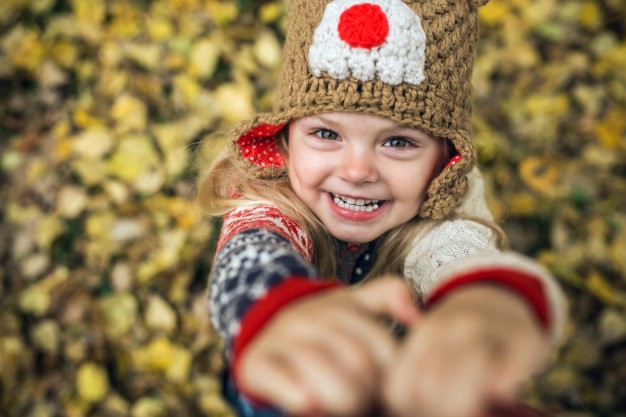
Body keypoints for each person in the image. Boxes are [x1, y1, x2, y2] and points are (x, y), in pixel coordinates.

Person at [198, 0, 567, 416]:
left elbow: (461, 251)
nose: (356, 172)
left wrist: (484, 300)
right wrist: (277, 307)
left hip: (402, 381)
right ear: (284, 140)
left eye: (398, 142)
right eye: (325, 133)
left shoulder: (442, 209)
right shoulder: (269, 195)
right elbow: (249, 253)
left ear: (444, 159)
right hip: (289, 373)